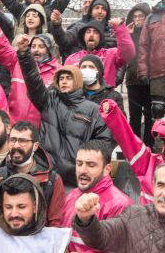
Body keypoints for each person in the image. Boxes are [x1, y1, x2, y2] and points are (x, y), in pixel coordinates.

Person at [17, 45, 112, 186]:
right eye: (61, 78)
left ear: (77, 81)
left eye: (69, 78)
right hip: (46, 173)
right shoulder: (49, 100)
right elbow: (33, 82)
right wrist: (24, 54)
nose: (64, 81)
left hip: (76, 176)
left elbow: (103, 142)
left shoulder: (93, 109)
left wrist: (86, 165)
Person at [58, 142, 133, 253]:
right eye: (79, 164)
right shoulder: (71, 195)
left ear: (107, 169)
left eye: (91, 165)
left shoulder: (121, 204)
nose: (82, 170)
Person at [0, 121, 67, 227]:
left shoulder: (52, 180)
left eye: (22, 141)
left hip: (40, 235)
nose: (16, 145)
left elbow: (56, 223)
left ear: (35, 146)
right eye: (12, 140)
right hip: (4, 234)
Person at [64, 12, 135, 88]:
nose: (91, 35)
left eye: (95, 32)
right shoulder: (71, 59)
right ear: (83, 37)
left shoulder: (111, 55)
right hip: (79, 95)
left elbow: (128, 53)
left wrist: (120, 29)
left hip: (105, 95)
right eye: (88, 32)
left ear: (100, 37)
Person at [124, 3, 154, 144]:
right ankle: (134, 145)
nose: (137, 19)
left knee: (149, 115)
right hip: (132, 80)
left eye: (141, 16)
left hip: (150, 79)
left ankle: (149, 145)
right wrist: (126, 35)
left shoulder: (152, 33)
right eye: (135, 16)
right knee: (134, 116)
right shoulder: (129, 34)